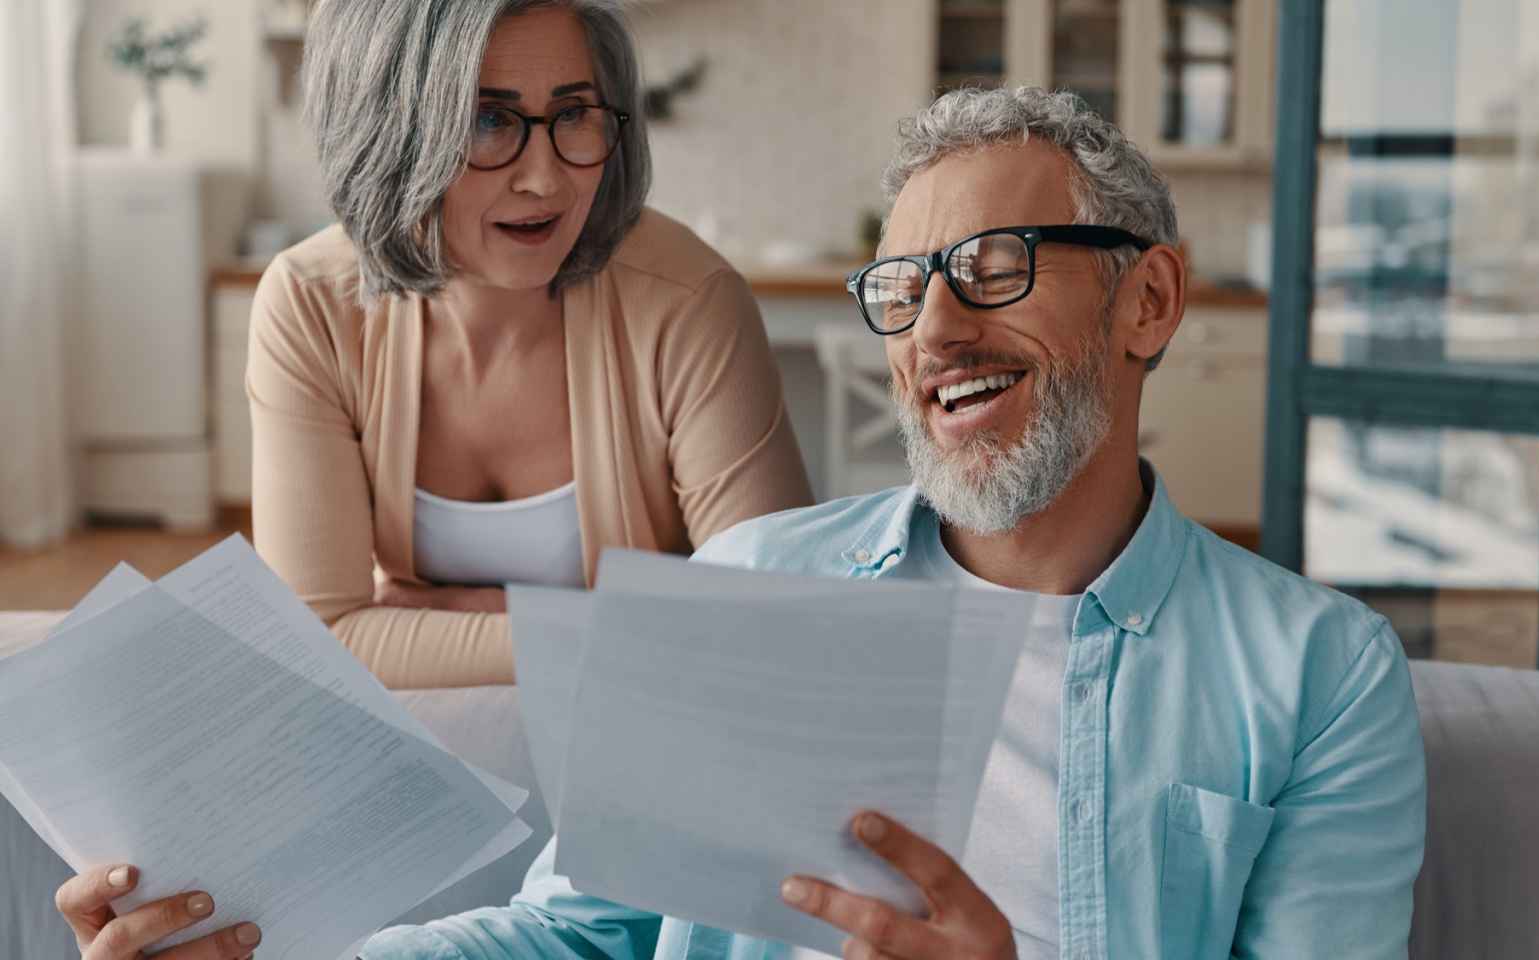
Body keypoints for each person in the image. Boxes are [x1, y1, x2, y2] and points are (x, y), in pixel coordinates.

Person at [56, 87, 1425, 959]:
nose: (934, 330)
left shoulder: (1314, 674)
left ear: (1147, 303)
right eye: (899, 289)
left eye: (992, 271)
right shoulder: (761, 583)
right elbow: (576, 937)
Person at [246, 0, 811, 691]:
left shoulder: (689, 301)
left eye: (573, 114)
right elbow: (317, 642)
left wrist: (466, 619)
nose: (546, 180)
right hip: (433, 748)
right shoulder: (311, 302)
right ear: (388, 133)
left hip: (643, 737)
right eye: (489, 120)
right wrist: (609, 627)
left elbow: (774, 630)